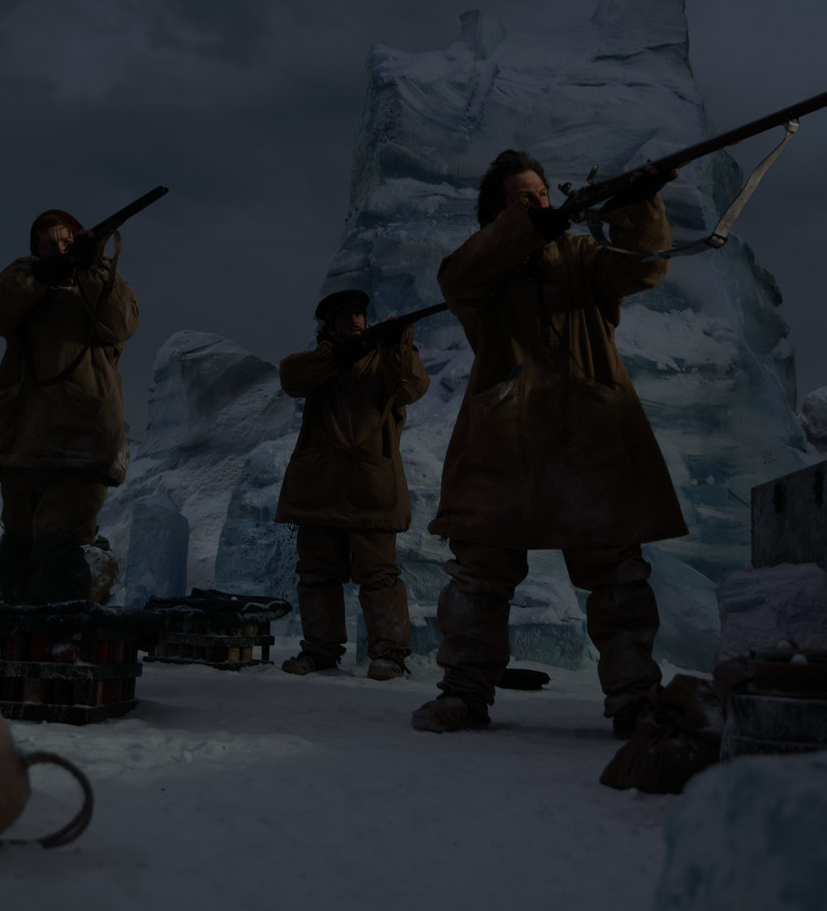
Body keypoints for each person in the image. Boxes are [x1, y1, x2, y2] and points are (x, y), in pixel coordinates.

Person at [411, 149, 688, 734]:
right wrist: (523, 227)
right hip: (501, 442)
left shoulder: (585, 257)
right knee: (479, 575)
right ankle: (464, 692)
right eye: (522, 199)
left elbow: (644, 265)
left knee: (616, 579)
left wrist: (637, 203)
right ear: (498, 215)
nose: (538, 203)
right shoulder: (477, 268)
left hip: (588, 438)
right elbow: (460, 276)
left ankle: (636, 700)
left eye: (542, 194)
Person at [0, 209, 139, 605]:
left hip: (82, 437)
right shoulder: (27, 287)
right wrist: (36, 274)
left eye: (66, 242)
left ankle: (60, 644)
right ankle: (19, 643)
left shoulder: (101, 282)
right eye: (48, 245)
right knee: (18, 544)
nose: (59, 249)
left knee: (58, 543)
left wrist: (91, 266)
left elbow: (121, 323)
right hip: (23, 438)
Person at [275, 289, 431, 680]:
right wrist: (336, 354)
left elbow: (413, 386)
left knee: (378, 574)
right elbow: (290, 377)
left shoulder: (388, 360)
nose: (354, 322)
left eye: (358, 316)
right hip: (320, 487)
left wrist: (400, 344)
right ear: (329, 327)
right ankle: (320, 651)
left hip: (370, 488)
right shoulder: (320, 362)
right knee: (315, 573)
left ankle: (389, 655)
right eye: (344, 318)